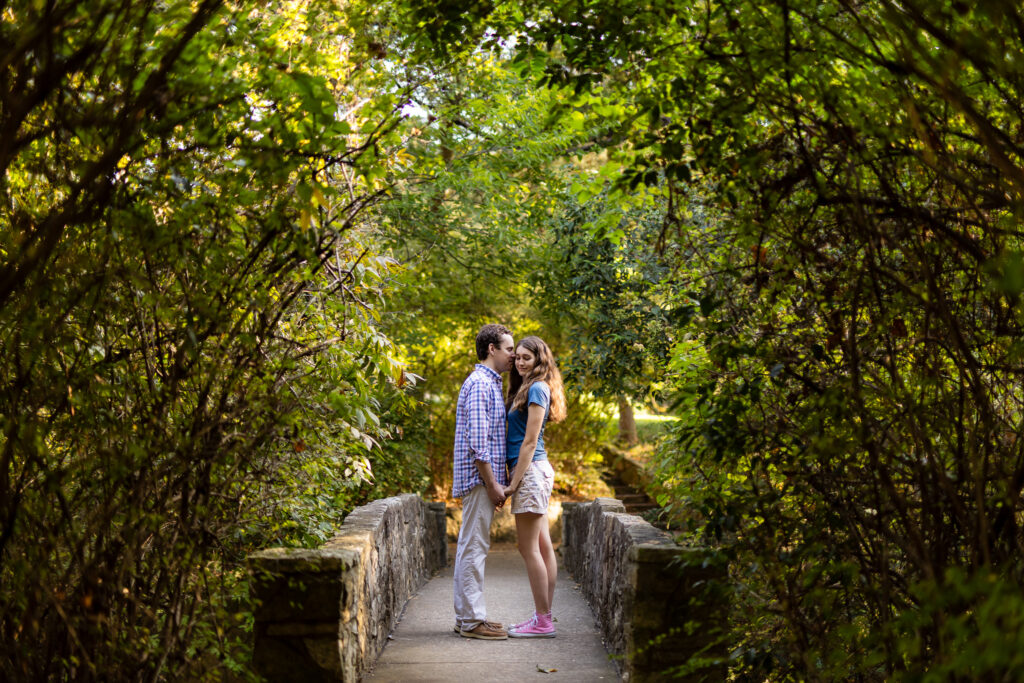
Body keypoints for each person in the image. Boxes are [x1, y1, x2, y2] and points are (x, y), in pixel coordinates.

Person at [452, 323, 515, 640]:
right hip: (479, 479)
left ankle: (468, 617)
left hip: (481, 478)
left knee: (469, 546)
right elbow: (479, 443)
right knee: (475, 547)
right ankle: (472, 621)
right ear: (492, 349)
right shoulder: (480, 384)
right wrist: (493, 484)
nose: (513, 355)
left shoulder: (489, 383)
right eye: (508, 348)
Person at [502, 336, 566, 638]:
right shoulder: (526, 388)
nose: (521, 362)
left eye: (527, 357)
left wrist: (513, 483)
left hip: (528, 472)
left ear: (540, 359)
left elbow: (530, 441)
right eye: (518, 357)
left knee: (528, 548)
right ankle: (543, 616)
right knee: (542, 546)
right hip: (532, 472)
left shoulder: (538, 388)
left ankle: (543, 621)